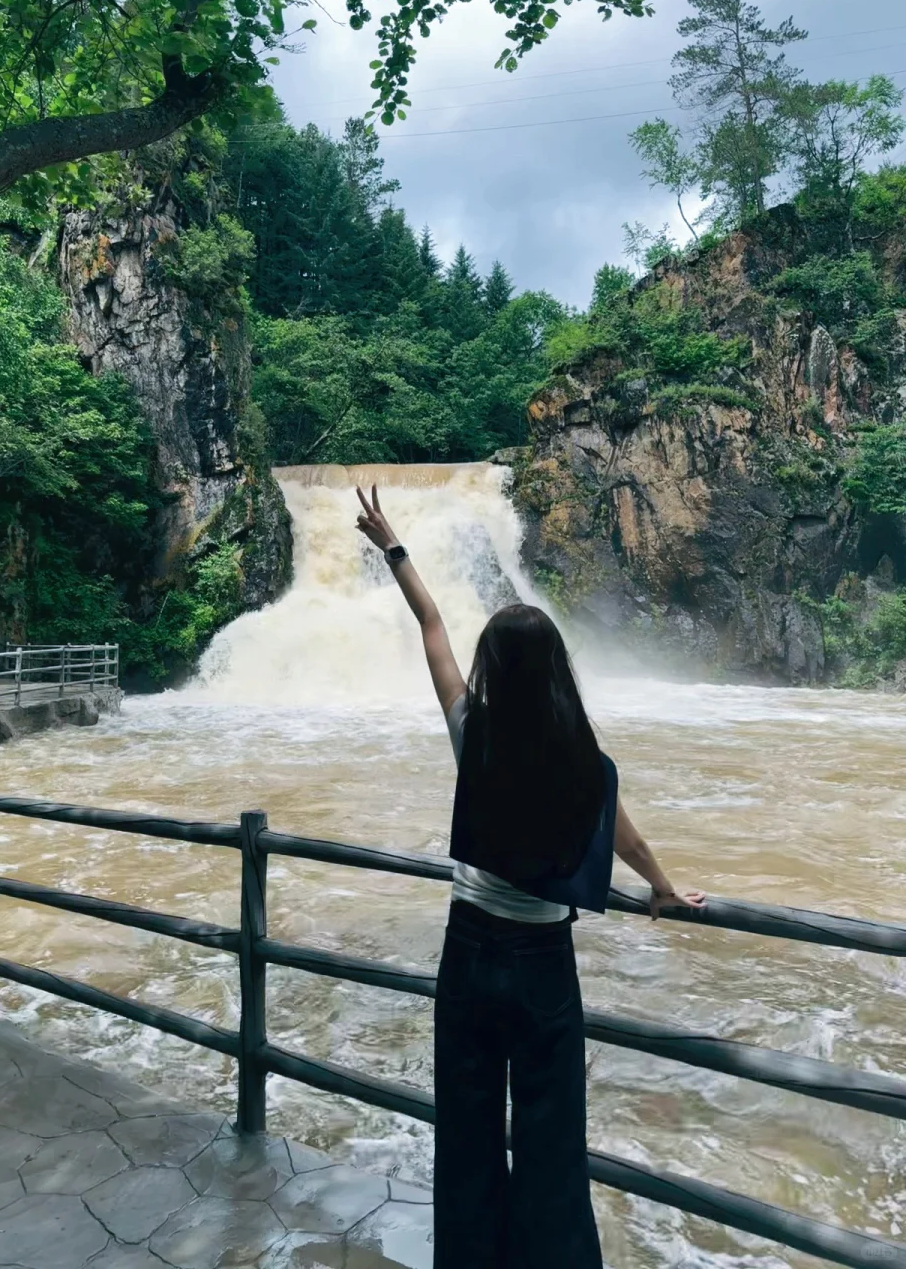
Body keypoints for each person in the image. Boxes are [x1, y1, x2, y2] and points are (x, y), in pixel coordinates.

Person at [354, 484, 705, 1269]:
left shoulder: (470, 729)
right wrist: (664, 886)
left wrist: (394, 548)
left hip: (470, 953)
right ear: (555, 671)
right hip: (545, 964)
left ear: (492, 669)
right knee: (552, 1135)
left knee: (469, 1129)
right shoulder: (586, 759)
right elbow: (623, 836)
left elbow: (433, 624)